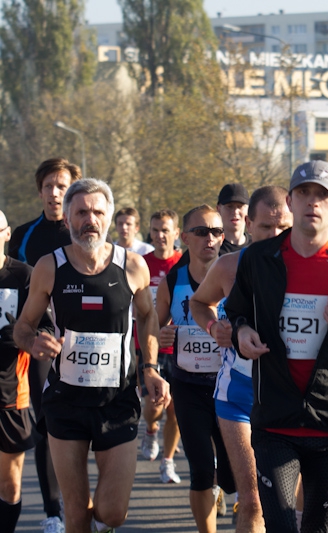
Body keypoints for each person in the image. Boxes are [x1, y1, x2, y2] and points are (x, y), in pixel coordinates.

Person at [225, 160, 328, 533]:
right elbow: (235, 311)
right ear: (290, 202)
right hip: (274, 421)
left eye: (323, 195)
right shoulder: (258, 259)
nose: (313, 202)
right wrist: (241, 331)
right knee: (280, 526)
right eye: (304, 194)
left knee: (314, 528)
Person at [13, 178, 170, 533]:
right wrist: (34, 341)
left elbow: (147, 315)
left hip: (117, 400)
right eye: (81, 212)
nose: (90, 219)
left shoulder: (132, 266)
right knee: (77, 515)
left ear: (109, 217)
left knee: (112, 513)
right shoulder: (48, 267)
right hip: (65, 402)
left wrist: (150, 367)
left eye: (97, 211)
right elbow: (23, 327)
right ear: (67, 219)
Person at [190, 186, 292, 533]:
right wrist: (212, 326)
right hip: (239, 392)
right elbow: (199, 303)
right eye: (265, 228)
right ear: (249, 224)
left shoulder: (311, 270)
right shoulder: (229, 266)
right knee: (252, 502)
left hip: (292, 395)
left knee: (293, 503)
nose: (274, 237)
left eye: (282, 229)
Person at [9, 157, 81, 533]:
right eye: (49, 186)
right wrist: (27, 334)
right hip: (37, 341)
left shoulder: (85, 230)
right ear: (39, 191)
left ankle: (80, 503)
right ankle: (54, 511)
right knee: (46, 422)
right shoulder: (24, 235)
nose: (55, 193)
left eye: (62, 186)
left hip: (82, 342)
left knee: (84, 422)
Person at [156, 205, 234, 533]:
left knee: (233, 475)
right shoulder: (173, 280)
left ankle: (226, 490)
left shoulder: (236, 273)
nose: (210, 238)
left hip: (232, 386)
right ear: (185, 237)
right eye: (201, 232)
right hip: (188, 386)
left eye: (217, 231)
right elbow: (152, 329)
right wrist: (160, 336)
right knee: (201, 469)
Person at [0, 209, 46, 532]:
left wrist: (22, 336)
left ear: (6, 234)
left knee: (10, 486)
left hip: (10, 394)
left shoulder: (23, 276)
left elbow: (41, 328)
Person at [139, 210, 183, 485]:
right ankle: (151, 428)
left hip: (179, 348)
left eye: (165, 230)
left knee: (176, 410)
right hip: (148, 346)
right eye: (155, 230)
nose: (160, 235)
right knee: (154, 406)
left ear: (177, 233)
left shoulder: (184, 264)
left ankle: (167, 462)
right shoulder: (140, 264)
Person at [217, 183, 251, 255]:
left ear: (248, 209)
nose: (235, 212)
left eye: (240, 206)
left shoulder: (257, 248)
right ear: (219, 209)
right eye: (229, 206)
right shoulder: (210, 248)